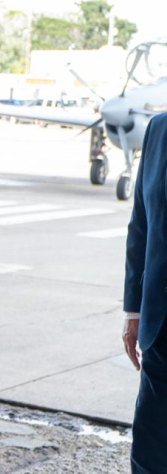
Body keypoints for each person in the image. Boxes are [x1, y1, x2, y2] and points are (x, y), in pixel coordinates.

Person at [123, 112, 167, 473]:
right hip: (160, 325)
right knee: (149, 454)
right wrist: (133, 311)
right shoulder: (159, 127)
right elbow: (141, 222)